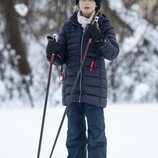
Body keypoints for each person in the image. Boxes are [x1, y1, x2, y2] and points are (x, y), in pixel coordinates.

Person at [46, 0, 119, 157]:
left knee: (96, 136)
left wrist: (100, 38)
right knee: (74, 136)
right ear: (78, 4)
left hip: (94, 91)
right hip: (72, 91)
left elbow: (113, 53)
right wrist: (52, 53)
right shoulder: (69, 26)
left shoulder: (104, 24)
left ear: (96, 4)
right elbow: (60, 58)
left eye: (91, 0)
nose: (86, 2)